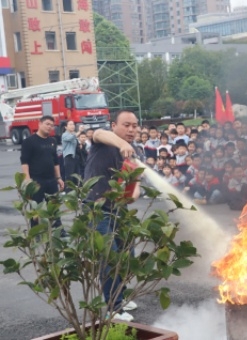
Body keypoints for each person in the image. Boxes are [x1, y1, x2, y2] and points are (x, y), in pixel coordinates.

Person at [83, 110, 140, 322]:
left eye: (135, 126)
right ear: (113, 125)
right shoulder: (104, 142)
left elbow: (137, 181)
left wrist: (134, 193)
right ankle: (113, 308)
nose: (132, 130)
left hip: (119, 208)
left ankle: (120, 296)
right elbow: (97, 133)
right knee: (110, 256)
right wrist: (121, 144)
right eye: (126, 125)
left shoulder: (132, 151)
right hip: (98, 209)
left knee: (127, 255)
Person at [20, 116, 64, 229]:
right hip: (36, 180)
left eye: (52, 125)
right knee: (36, 207)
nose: (50, 127)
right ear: (39, 124)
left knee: (54, 205)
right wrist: (27, 179)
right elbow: (24, 162)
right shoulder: (29, 141)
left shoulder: (52, 141)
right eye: (47, 124)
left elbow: (55, 161)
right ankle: (35, 230)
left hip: (51, 180)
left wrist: (58, 178)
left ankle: (58, 229)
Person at [61, 121, 83, 186]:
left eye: (73, 124)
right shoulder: (65, 135)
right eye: (70, 124)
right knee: (69, 176)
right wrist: (79, 132)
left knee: (76, 175)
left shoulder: (74, 134)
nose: (72, 126)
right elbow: (71, 138)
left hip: (75, 157)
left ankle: (77, 191)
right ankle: (68, 191)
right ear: (65, 127)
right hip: (68, 157)